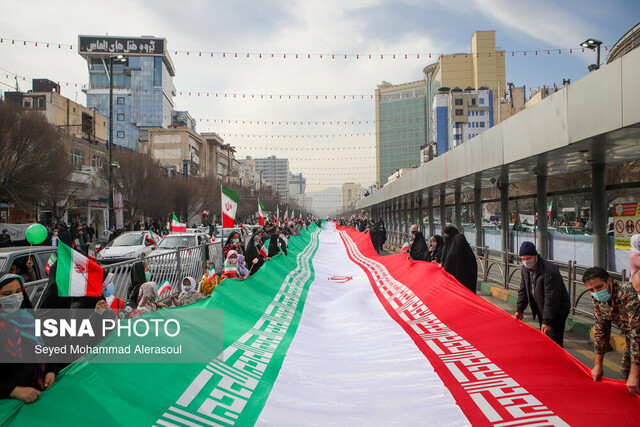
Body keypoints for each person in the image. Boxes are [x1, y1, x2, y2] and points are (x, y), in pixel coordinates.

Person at [0, 273, 58, 403]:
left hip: (38, 395)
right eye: (7, 294)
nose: (14, 297)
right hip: (10, 404)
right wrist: (14, 390)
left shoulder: (30, 320)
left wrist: (51, 371)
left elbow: (48, 349)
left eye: (17, 291)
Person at [584, 267, 640, 396]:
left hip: (636, 339)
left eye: (599, 287)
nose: (596, 292)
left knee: (633, 379)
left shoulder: (627, 293)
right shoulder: (598, 299)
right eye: (591, 290)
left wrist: (634, 374)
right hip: (632, 342)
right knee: (626, 379)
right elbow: (600, 329)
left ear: (609, 281)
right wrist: (598, 365)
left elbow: (637, 333)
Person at [515, 242, 570, 347]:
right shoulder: (525, 269)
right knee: (545, 337)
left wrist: (548, 321)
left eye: (528, 258)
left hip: (556, 310)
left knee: (554, 340)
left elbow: (551, 297)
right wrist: (520, 309)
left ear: (535, 256)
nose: (526, 261)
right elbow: (523, 290)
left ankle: (556, 361)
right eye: (523, 259)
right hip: (542, 308)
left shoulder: (549, 271)